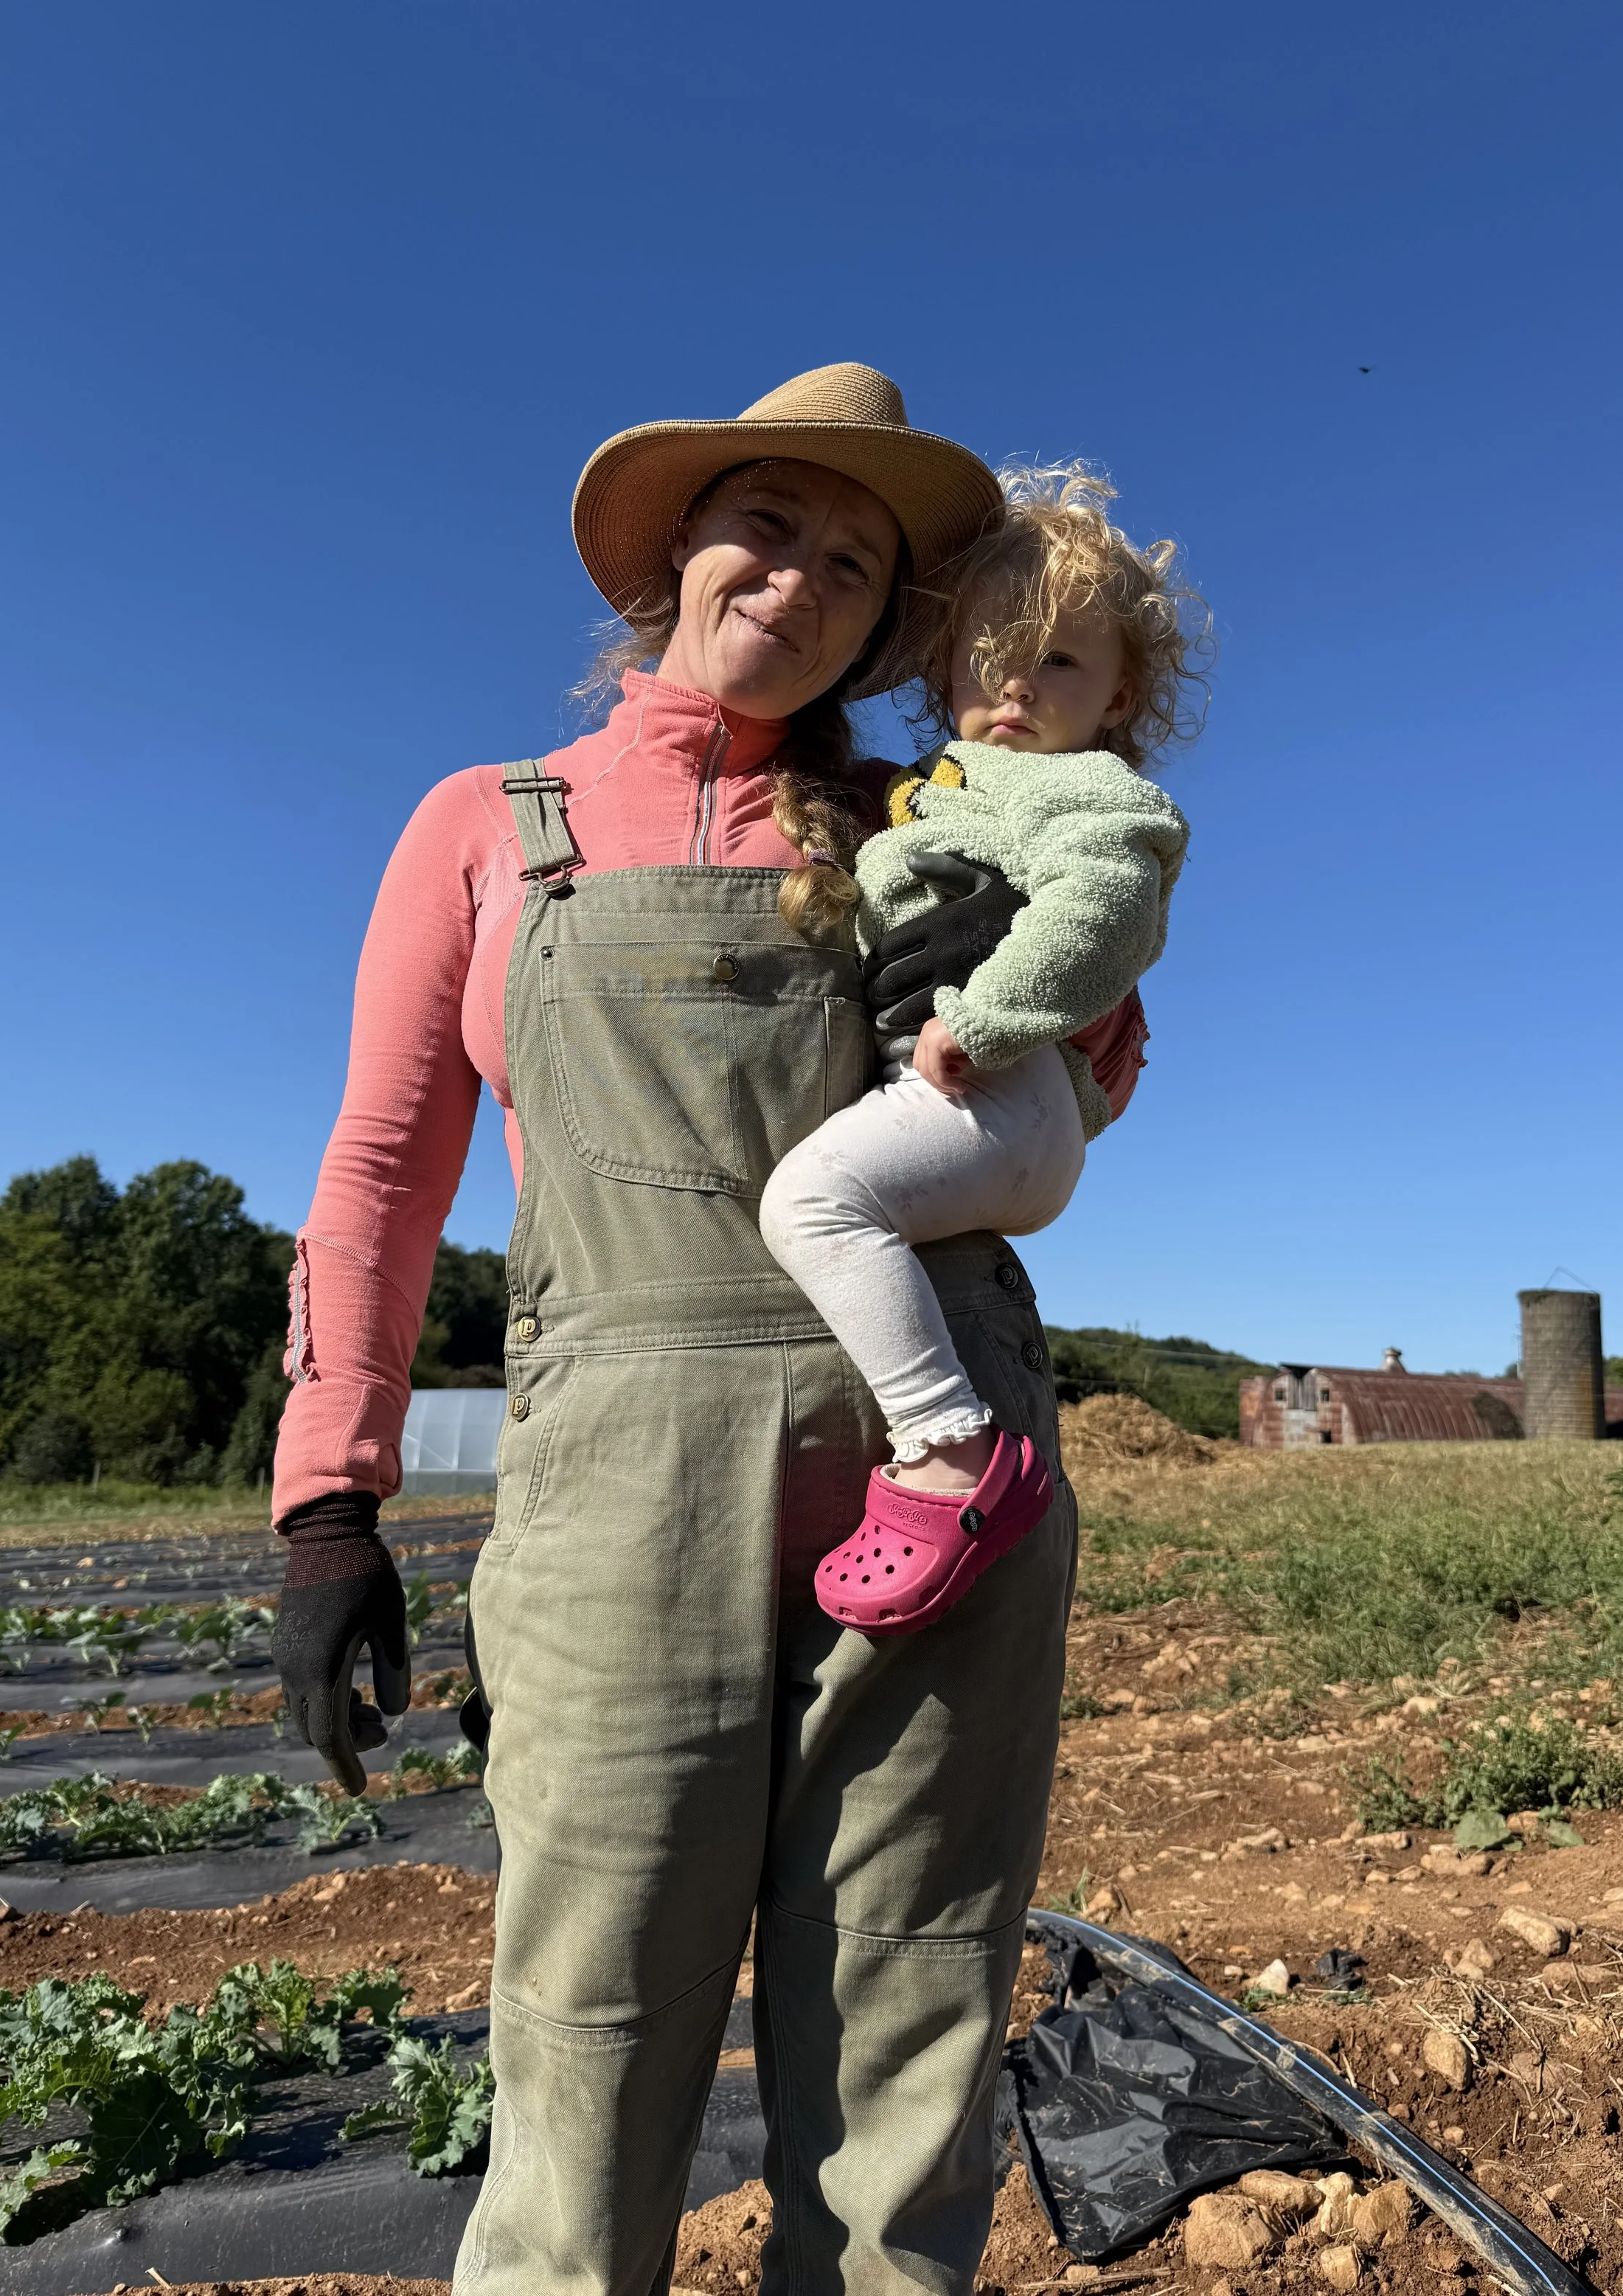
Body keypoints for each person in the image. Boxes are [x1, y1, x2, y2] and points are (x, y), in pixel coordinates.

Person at [270, 365, 1149, 2296]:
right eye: (769, 520)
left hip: (941, 1455)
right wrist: (330, 1499)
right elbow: (382, 1169)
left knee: (907, 2042)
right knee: (585, 2039)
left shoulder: (917, 816)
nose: (806, 574)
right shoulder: (490, 825)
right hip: (618, 1482)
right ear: (677, 544)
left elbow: (1074, 1089)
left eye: (857, 558)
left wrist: (1063, 1015)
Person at [757, 465, 1194, 1635]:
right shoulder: (936, 791)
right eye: (989, 653)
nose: (1016, 684)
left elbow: (1110, 903)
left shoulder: (1074, 787)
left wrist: (988, 1013)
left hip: (998, 1091)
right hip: (999, 1102)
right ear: (945, 667)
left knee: (811, 1206)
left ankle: (951, 1456)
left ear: (1117, 699)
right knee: (838, 1213)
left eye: (1058, 660)